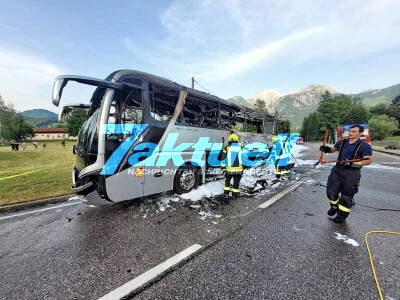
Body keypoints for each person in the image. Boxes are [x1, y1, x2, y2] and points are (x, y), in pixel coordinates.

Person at [319, 124, 372, 223]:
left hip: (351, 174)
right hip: (337, 170)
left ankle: (341, 216)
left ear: (360, 133)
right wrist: (326, 149)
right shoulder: (343, 141)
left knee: (346, 197)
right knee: (331, 192)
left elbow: (368, 160)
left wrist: (352, 163)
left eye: (354, 131)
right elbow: (333, 149)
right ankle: (334, 206)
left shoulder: (364, 146)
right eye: (350, 131)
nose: (351, 133)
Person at [221, 133, 243, 201]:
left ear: (230, 140)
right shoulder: (241, 148)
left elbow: (223, 159)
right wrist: (243, 167)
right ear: (237, 140)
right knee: (236, 182)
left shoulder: (226, 148)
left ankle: (226, 194)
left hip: (229, 170)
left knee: (227, 182)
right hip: (238, 170)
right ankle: (234, 195)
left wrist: (223, 168)